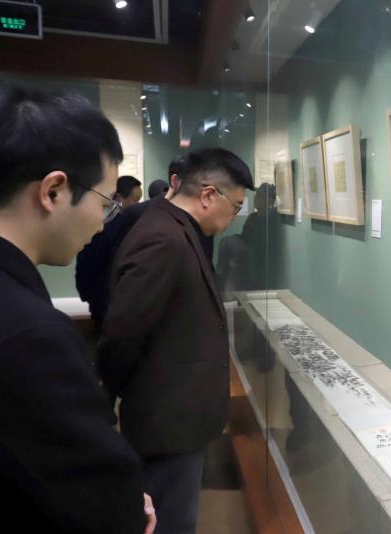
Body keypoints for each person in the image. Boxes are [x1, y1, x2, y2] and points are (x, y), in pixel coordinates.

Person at [0, 85, 155, 533]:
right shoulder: (27, 334)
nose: (103, 223)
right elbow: (106, 507)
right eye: (105, 202)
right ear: (53, 191)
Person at [98, 148, 254, 534]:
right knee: (168, 521)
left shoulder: (175, 228)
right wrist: (109, 398)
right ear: (208, 195)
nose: (234, 217)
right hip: (166, 420)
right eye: (235, 207)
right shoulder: (164, 237)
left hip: (175, 415)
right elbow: (123, 332)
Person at [75, 175, 141, 327]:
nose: (138, 205)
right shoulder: (104, 227)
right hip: (105, 301)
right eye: (135, 200)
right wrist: (88, 294)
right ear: (119, 198)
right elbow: (88, 262)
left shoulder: (127, 224)